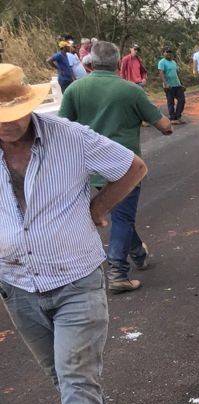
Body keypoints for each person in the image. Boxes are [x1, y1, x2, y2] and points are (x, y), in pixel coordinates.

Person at [0, 62, 147, 404]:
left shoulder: (69, 137)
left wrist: (99, 207)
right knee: (60, 375)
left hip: (76, 277)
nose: (8, 124)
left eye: (15, 113)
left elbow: (133, 166)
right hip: (17, 283)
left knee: (75, 374)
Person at [60, 41, 173, 293]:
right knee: (122, 217)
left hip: (89, 169)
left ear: (90, 61)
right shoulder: (130, 91)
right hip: (124, 168)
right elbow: (165, 126)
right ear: (117, 62)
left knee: (120, 214)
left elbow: (61, 128)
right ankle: (118, 272)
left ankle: (138, 255)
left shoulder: (75, 90)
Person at [157, 48, 185, 123]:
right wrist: (166, 84)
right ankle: (172, 118)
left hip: (177, 84)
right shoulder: (162, 62)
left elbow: (177, 73)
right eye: (167, 52)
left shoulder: (173, 62)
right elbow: (161, 73)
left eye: (170, 52)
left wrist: (182, 84)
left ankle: (178, 116)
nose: (169, 54)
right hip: (169, 85)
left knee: (182, 100)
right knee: (171, 101)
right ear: (163, 53)